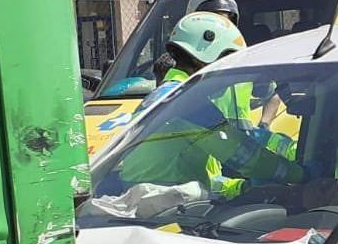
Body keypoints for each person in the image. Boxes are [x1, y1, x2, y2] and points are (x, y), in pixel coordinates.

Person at [116, 13, 302, 195]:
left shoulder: (167, 93)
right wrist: (301, 175)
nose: (229, 78)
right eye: (227, 64)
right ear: (206, 58)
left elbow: (196, 176)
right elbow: (245, 158)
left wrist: (239, 188)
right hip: (167, 210)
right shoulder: (190, 102)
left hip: (153, 205)